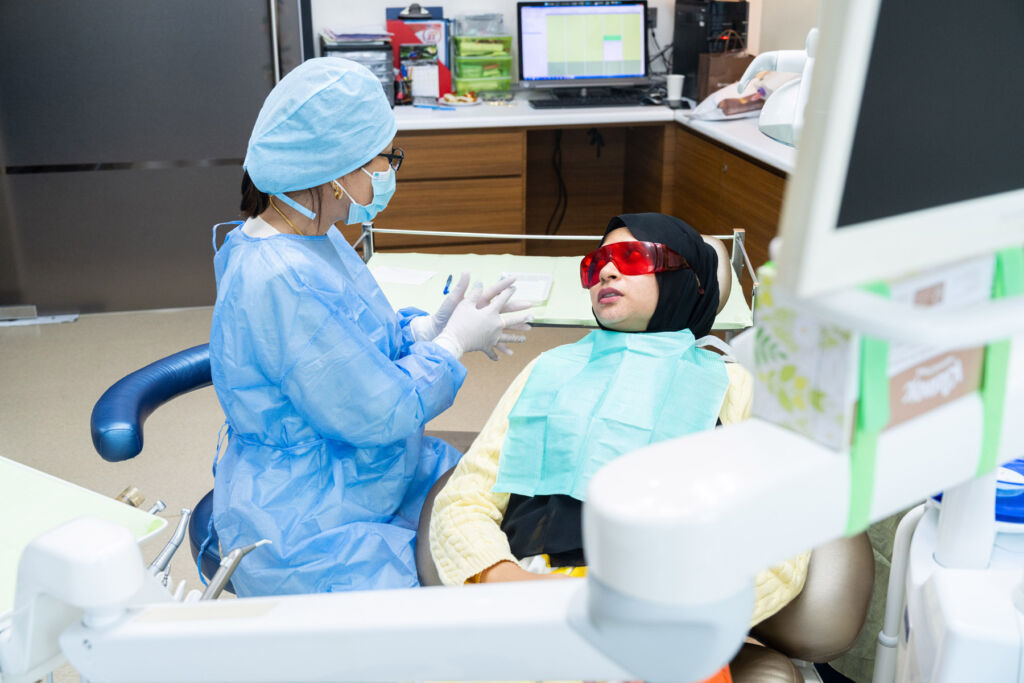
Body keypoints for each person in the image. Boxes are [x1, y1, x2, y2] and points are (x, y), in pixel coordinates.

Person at [429, 214, 809, 681]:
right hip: (533, 597)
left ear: (686, 278)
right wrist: (512, 585)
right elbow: (463, 502)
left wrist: (676, 613)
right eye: (597, 263)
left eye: (631, 258)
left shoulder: (733, 386)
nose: (606, 272)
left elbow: (781, 537)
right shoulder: (548, 370)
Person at [208, 57, 532, 596]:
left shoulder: (312, 232)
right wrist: (452, 348)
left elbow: (352, 345)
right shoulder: (279, 276)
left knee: (496, 507)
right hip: (307, 520)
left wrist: (423, 331)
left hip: (368, 470)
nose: (387, 172)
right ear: (334, 173)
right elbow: (379, 411)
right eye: (383, 159)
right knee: (458, 588)